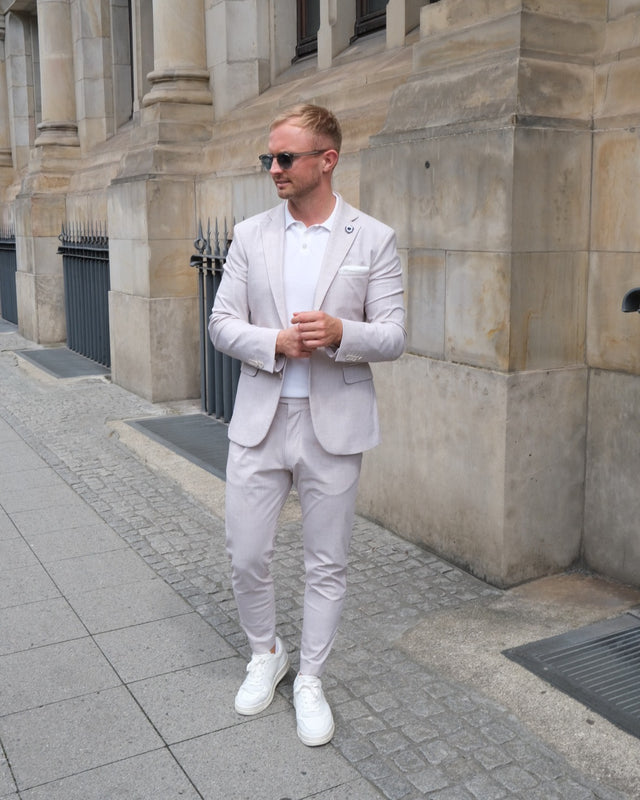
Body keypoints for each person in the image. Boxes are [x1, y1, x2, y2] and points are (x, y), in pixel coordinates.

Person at [208, 104, 405, 747]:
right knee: (246, 553)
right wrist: (275, 342)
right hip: (261, 418)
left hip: (334, 424)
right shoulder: (250, 234)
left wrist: (343, 332)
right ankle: (266, 652)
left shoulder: (372, 238)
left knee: (327, 561)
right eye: (268, 157)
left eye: (286, 157)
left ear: (328, 159)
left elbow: (394, 335)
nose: (274, 168)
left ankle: (311, 678)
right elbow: (221, 323)